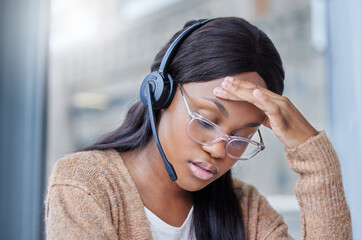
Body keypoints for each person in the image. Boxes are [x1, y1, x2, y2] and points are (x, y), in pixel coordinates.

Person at [44, 17, 352, 239]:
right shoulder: (85, 183)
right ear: (159, 94)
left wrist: (318, 163)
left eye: (241, 137)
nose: (219, 150)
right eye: (205, 121)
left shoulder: (247, 209)